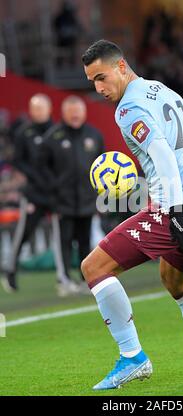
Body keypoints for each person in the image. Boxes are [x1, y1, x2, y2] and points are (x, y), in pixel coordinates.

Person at [81, 39, 183, 390]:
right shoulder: (160, 89)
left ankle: (133, 357)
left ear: (122, 66)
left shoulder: (128, 110)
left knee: (94, 267)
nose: (99, 88)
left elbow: (163, 154)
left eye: (102, 77)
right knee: (176, 280)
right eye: (93, 81)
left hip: (177, 208)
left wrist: (179, 208)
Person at [40, 95, 105, 297]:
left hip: (87, 200)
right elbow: (43, 170)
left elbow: (102, 166)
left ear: (84, 112)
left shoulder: (94, 135)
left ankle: (86, 279)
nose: (75, 114)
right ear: (64, 113)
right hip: (62, 202)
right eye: (71, 111)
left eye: (79, 110)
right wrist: (53, 195)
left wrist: (100, 196)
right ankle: (64, 280)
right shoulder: (53, 137)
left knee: (86, 243)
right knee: (64, 243)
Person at [1, 94, 54, 292]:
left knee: (63, 234)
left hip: (55, 192)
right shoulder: (24, 133)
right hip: (33, 193)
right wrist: (34, 176)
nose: (38, 112)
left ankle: (65, 277)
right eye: (35, 108)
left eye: (42, 108)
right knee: (23, 233)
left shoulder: (56, 131)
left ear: (49, 109)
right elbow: (17, 160)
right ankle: (10, 271)